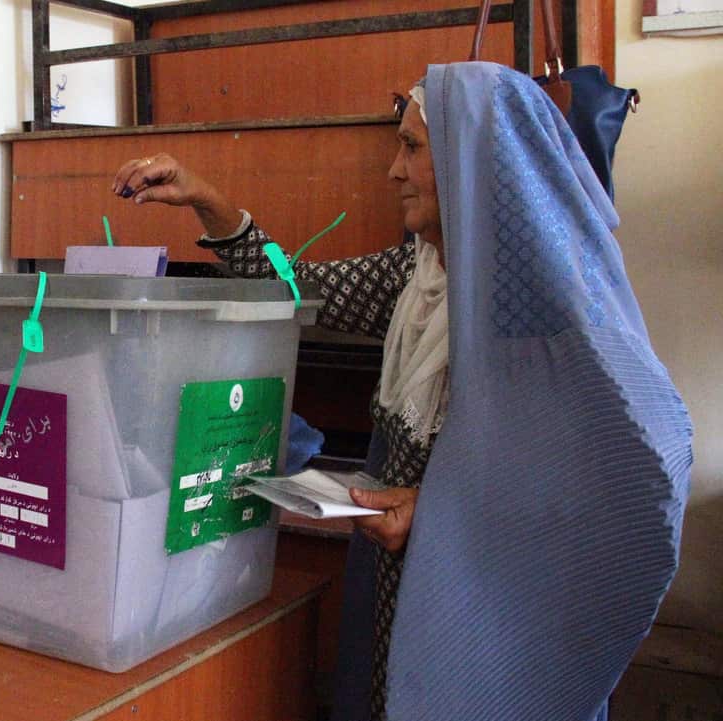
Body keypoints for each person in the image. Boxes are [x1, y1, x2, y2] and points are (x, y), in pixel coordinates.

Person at [112, 62, 692, 721]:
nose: (393, 170)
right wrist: (205, 198)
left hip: (488, 615)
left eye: (412, 147)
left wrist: (442, 511)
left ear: (475, 161)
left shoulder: (552, 311)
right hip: (400, 587)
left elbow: (623, 482)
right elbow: (292, 285)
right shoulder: (419, 277)